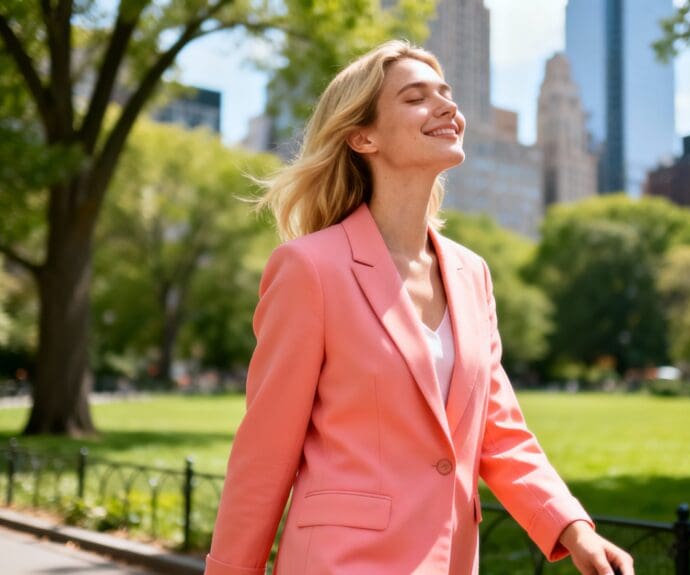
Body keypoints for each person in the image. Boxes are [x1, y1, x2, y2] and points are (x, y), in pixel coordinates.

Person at [204, 40, 633, 575]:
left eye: (447, 94)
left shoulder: (472, 273)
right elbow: (265, 452)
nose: (447, 106)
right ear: (363, 136)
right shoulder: (309, 268)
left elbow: (498, 429)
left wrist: (573, 528)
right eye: (416, 98)